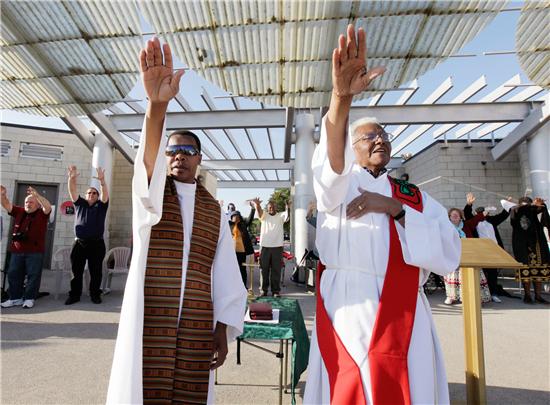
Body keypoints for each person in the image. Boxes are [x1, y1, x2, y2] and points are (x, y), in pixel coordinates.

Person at [303, 25, 461, 405]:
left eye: (384, 136)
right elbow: (329, 171)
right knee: (354, 388)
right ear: (350, 146)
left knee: (409, 386)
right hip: (350, 303)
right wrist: (341, 98)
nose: (379, 140)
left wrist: (394, 209)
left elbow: (449, 251)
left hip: (404, 307)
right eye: (368, 137)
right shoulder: (340, 183)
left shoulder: (412, 195)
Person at [106, 37, 246, 404]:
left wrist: (221, 327)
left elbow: (225, 271)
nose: (177, 157)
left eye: (187, 151)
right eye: (172, 151)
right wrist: (156, 107)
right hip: (151, 316)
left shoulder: (212, 208)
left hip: (198, 324)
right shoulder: (151, 196)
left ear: (199, 159)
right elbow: (146, 165)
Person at [1, 185, 52, 309]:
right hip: (17, 251)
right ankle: (15, 298)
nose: (28, 204)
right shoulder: (19, 211)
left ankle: (29, 298)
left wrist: (37, 196)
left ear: (37, 204)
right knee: (13, 274)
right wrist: (2, 195)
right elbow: (7, 204)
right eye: (26, 202)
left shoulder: (42, 213)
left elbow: (48, 207)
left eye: (31, 202)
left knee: (33, 275)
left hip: (35, 252)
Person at [65, 165, 109, 305]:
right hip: (80, 243)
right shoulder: (80, 204)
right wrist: (71, 178)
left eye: (94, 193)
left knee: (95, 272)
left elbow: (105, 194)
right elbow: (72, 190)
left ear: (97, 196)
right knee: (76, 271)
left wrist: (102, 181)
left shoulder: (101, 206)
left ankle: (95, 294)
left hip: (97, 244)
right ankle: (74, 295)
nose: (91, 195)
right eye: (89, 193)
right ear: (85, 195)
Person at [463, 192, 512, 303]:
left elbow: (503, 215)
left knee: (493, 273)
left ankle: (493, 293)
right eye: (479, 213)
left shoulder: (491, 221)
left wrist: (507, 204)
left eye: (483, 212)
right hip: (480, 250)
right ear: (476, 213)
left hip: (494, 250)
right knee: (482, 273)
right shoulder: (474, 221)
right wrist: (469, 204)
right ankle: (482, 294)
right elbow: (467, 213)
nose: (482, 214)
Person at [444, 208, 491, 305]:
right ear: (449, 217)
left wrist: (484, 213)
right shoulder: (446, 227)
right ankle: (451, 297)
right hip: (454, 255)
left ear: (460, 216)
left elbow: (475, 220)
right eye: (453, 215)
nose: (455, 216)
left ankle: (477, 297)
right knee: (453, 276)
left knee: (472, 275)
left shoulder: (466, 225)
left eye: (457, 215)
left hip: (469, 254)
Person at [510, 197, 550, 304]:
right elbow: (518, 211)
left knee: (538, 270)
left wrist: (540, 205)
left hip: (536, 246)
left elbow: (541, 210)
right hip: (522, 246)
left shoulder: (533, 211)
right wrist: (531, 205)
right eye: (525, 204)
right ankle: (527, 295)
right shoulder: (515, 210)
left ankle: (538, 296)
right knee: (525, 270)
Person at [252, 198, 290, 298]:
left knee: (276, 270)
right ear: (267, 208)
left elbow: (287, 216)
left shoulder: (281, 215)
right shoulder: (265, 215)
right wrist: (258, 205)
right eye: (270, 207)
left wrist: (288, 207)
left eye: (273, 207)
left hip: (277, 247)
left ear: (276, 207)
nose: (271, 208)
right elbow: (259, 213)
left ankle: (275, 291)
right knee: (263, 270)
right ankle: (263, 290)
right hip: (265, 247)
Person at [229, 202, 256, 286]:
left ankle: (244, 286)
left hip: (242, 252)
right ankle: (233, 286)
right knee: (233, 269)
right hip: (232, 252)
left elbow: (250, 219)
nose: (235, 217)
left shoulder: (243, 225)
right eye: (234, 216)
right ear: (231, 217)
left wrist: (253, 209)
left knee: (242, 269)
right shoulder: (228, 225)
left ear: (239, 217)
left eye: (237, 216)